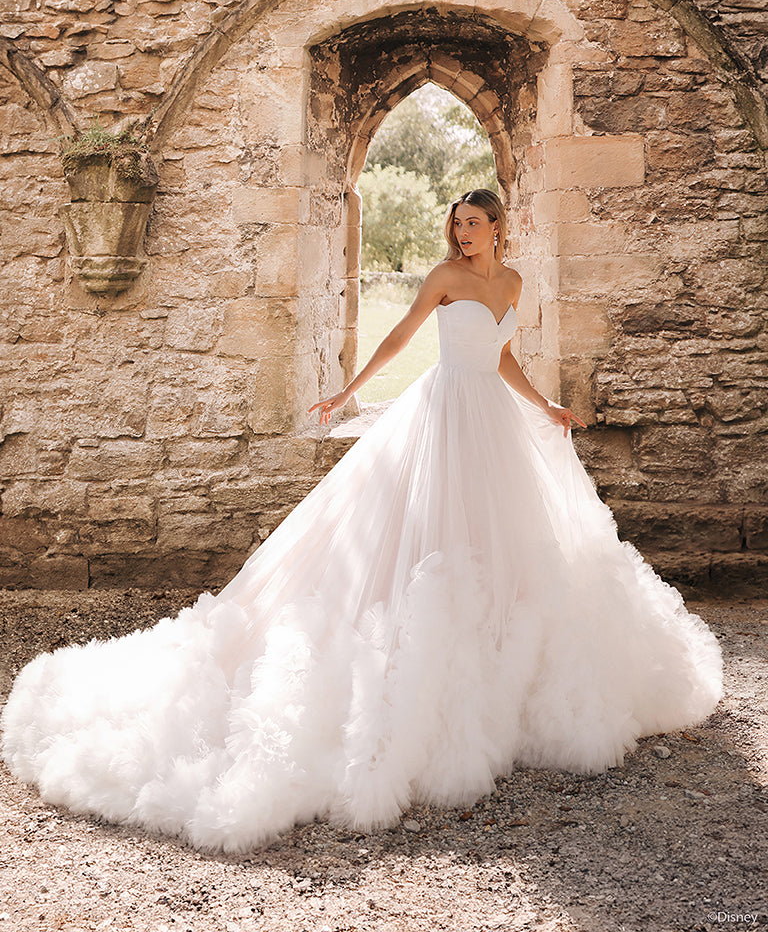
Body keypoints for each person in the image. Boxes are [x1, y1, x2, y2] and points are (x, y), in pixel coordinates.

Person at [1, 189, 723, 854]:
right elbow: (402, 338)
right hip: (443, 413)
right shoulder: (444, 278)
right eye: (457, 224)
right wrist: (349, 390)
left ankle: (499, 662)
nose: (462, 233)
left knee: (499, 540)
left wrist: (546, 406)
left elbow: (502, 356)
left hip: (494, 419)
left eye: (473, 224)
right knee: (430, 537)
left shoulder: (513, 283)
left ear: (498, 228)